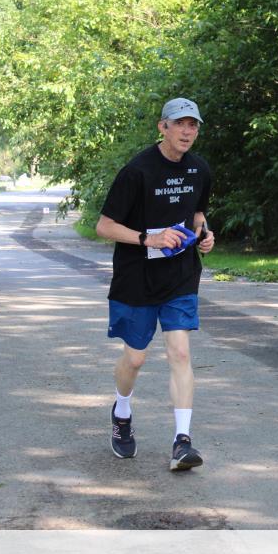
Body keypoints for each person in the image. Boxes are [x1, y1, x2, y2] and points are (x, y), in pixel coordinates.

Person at [95, 97, 215, 471]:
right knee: (135, 358)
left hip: (180, 276)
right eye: (179, 124)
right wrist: (150, 238)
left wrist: (205, 234)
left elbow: (197, 213)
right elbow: (104, 226)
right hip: (137, 277)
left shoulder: (199, 169)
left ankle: (182, 442)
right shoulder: (137, 171)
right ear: (162, 127)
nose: (187, 132)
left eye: (193, 125)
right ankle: (122, 412)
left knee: (180, 353)